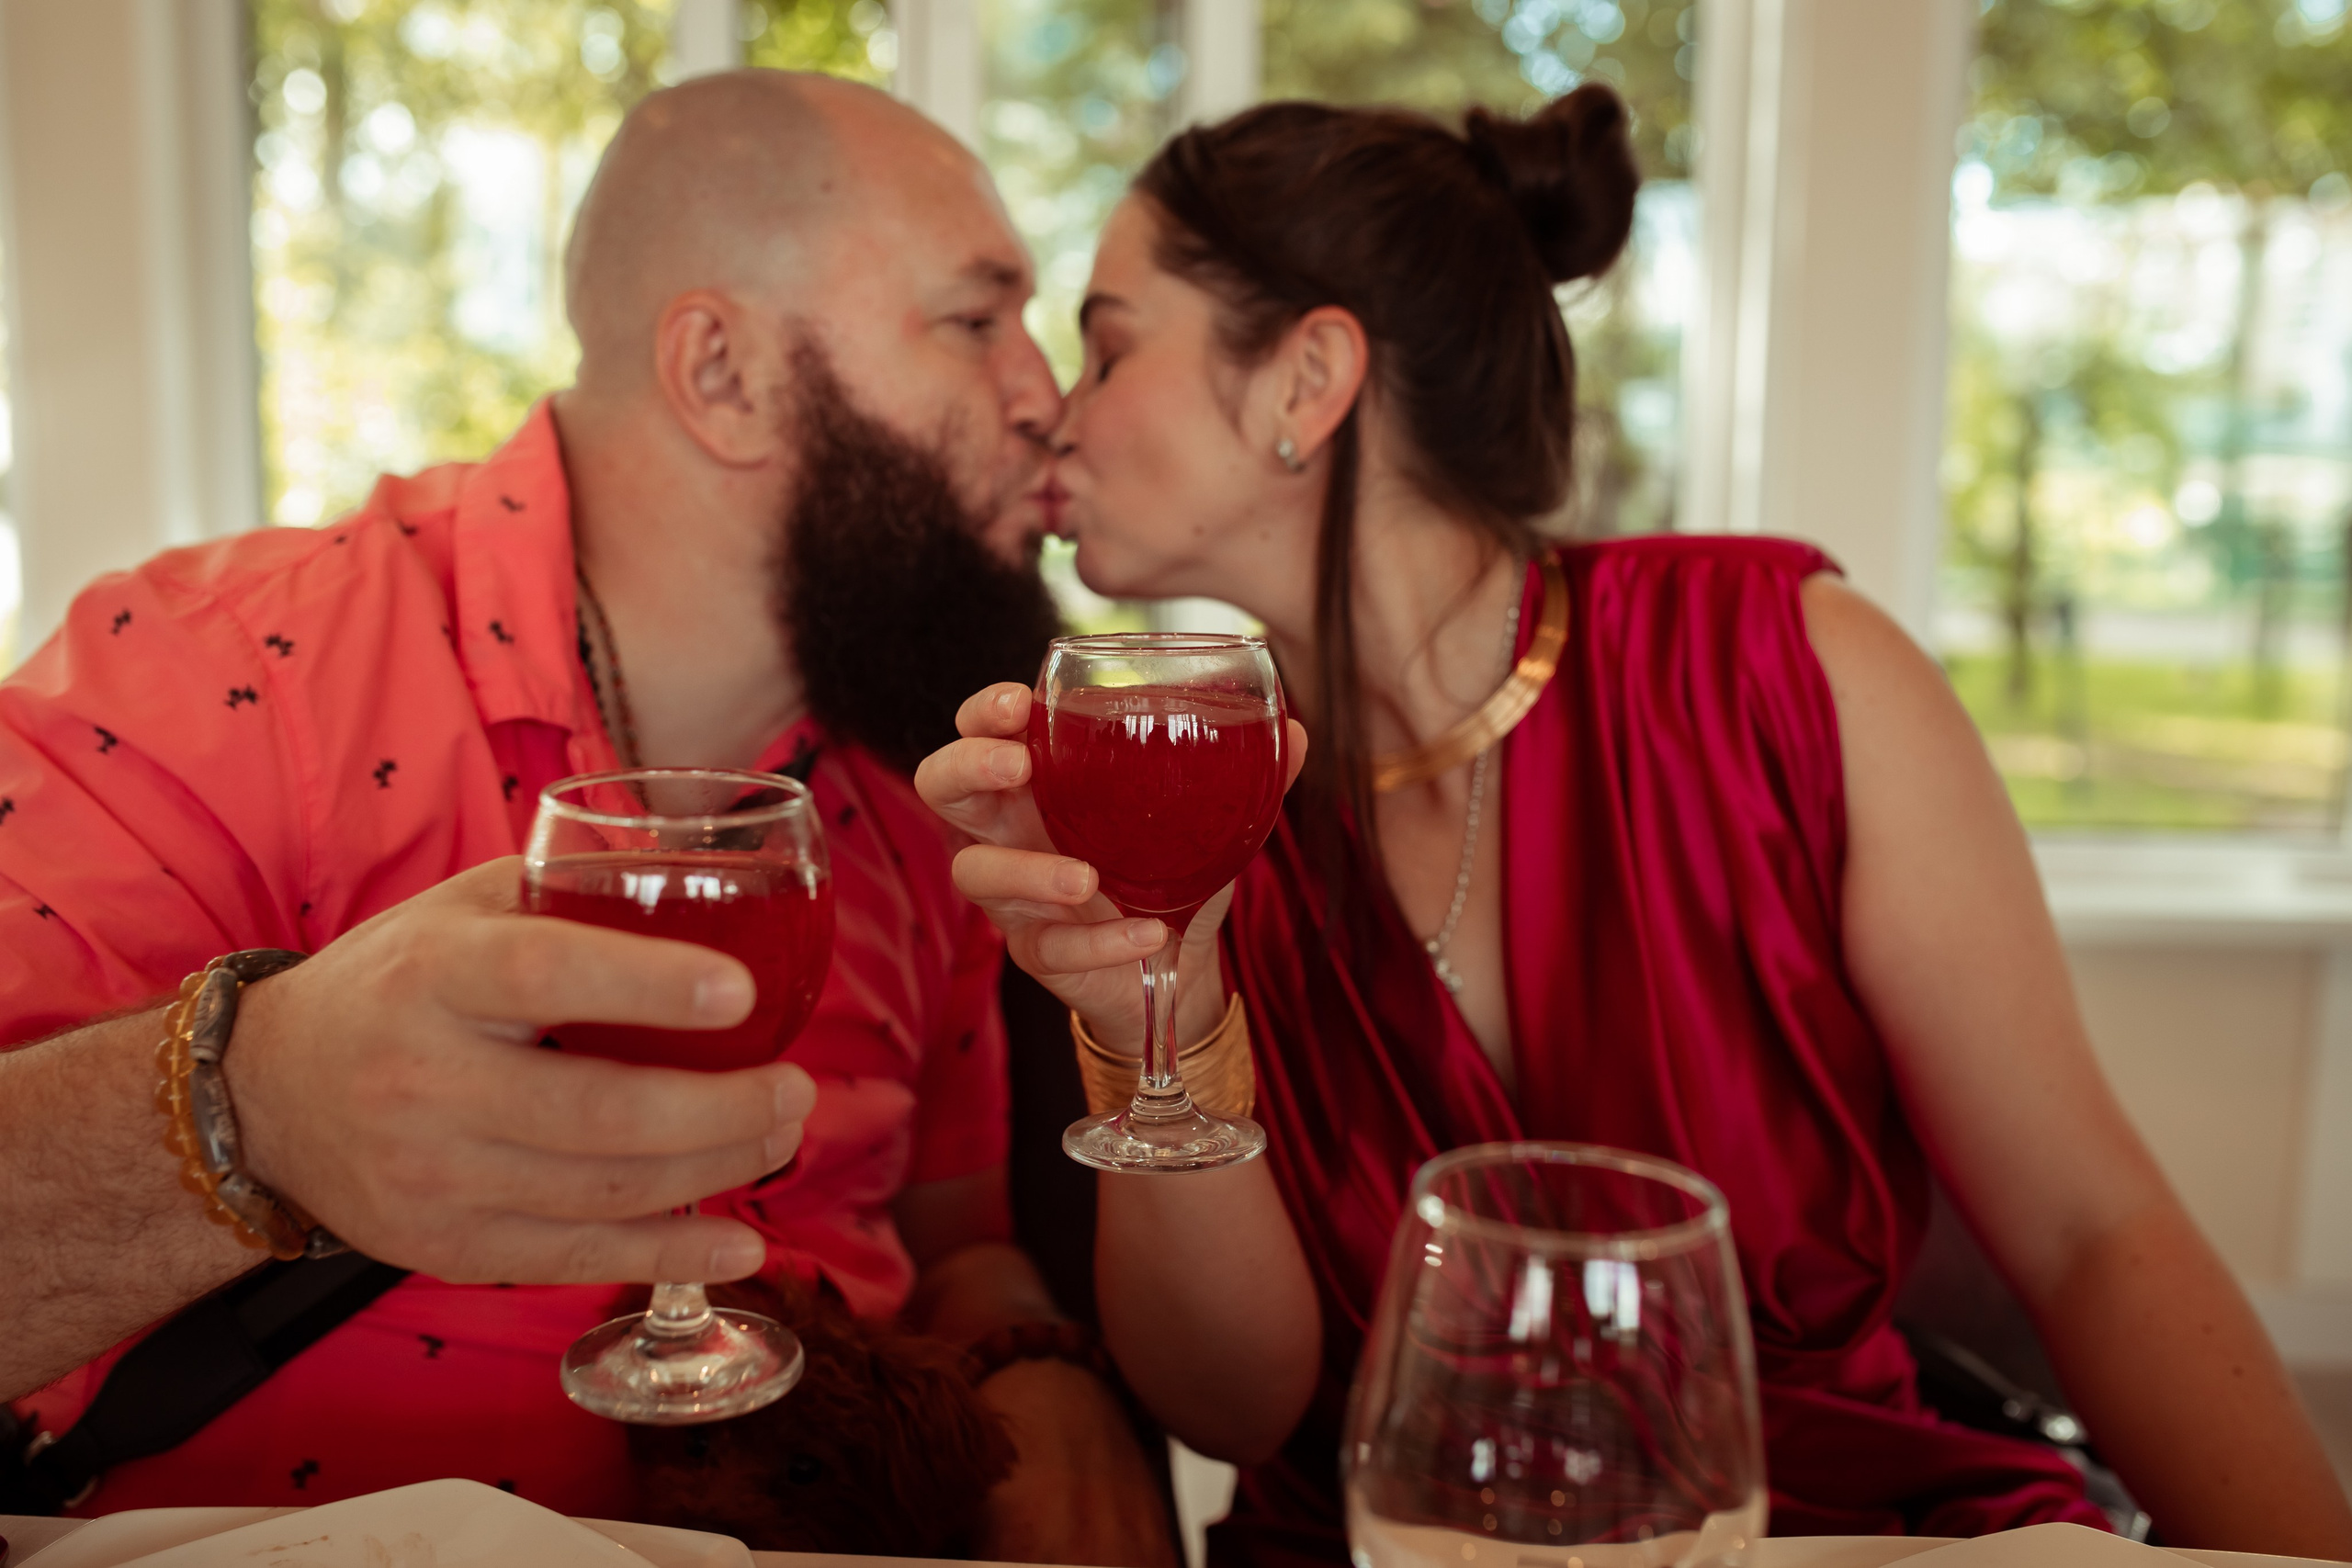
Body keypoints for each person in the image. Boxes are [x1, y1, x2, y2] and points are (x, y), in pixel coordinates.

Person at [917, 85, 2352, 1562]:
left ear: (1308, 379)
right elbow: (1233, 1407)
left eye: (1106, 345)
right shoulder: (1199, 814)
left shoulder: (1784, 671)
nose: (1052, 410)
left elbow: (2089, 1237)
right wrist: (1157, 989)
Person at [0, 70, 1170, 1564]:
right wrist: (252, 1109)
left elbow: (957, 1241)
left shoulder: (915, 791)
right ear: (722, 373)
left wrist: (1036, 1362)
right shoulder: (216, 681)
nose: (1044, 398)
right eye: (974, 319)